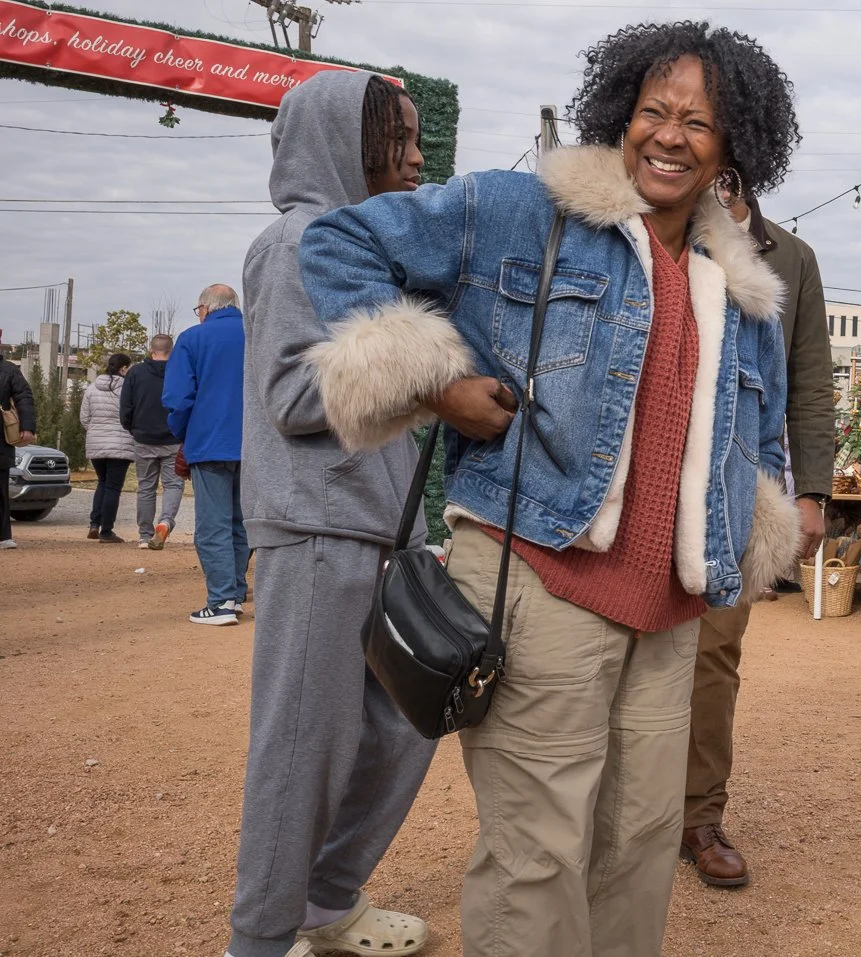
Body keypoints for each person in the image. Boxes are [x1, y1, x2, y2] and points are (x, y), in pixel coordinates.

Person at [299, 22, 801, 957]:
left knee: (640, 845)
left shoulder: (741, 287)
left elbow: (758, 437)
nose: (669, 135)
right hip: (537, 573)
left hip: (669, 608)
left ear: (733, 147)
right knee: (538, 851)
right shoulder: (525, 209)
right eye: (652, 110)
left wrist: (748, 534)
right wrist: (432, 379)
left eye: (698, 121)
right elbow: (337, 244)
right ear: (619, 114)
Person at [227, 70, 444, 957]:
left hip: (383, 529)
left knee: (405, 726)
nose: (419, 155)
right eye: (399, 137)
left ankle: (324, 899)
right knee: (302, 748)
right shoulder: (299, 239)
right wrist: (428, 359)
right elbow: (289, 393)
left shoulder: (359, 245)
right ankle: (261, 939)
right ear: (344, 146)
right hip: (316, 525)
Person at [682, 189, 831, 887]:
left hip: (742, 485)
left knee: (715, 655)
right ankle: (622, 809)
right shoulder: (658, 224)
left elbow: (810, 384)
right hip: (655, 475)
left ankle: (698, 816)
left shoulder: (793, 259)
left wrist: (811, 494)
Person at [165, 284, 248, 626]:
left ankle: (222, 600)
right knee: (242, 523)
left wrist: (183, 432)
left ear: (205, 308)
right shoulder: (257, 332)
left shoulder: (192, 338)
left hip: (210, 441)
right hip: (254, 443)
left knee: (212, 524)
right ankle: (237, 593)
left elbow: (177, 397)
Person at [121, 334, 183, 549]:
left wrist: (133, 429)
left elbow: (125, 407)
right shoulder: (180, 371)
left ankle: (145, 535)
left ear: (151, 350)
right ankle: (165, 522)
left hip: (143, 437)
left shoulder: (135, 373)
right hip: (172, 438)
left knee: (146, 486)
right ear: (171, 351)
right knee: (173, 484)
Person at [80, 353, 135, 544]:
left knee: (102, 482)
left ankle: (94, 523)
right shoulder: (127, 389)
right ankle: (106, 531)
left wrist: (96, 432)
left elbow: (84, 418)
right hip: (120, 443)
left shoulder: (91, 389)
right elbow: (131, 415)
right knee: (113, 487)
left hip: (96, 442)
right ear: (123, 368)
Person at [0, 358, 37, 550]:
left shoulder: (9, 369)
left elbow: (24, 396)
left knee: (0, 489)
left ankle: (3, 536)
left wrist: (27, 426)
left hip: (0, 438)